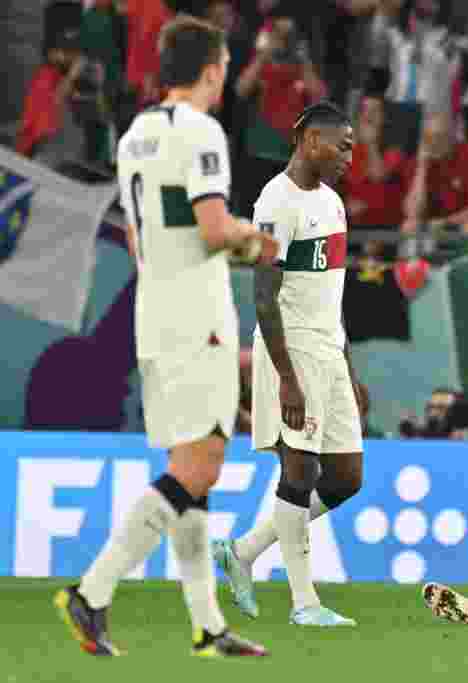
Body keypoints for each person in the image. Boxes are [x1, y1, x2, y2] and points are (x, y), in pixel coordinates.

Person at [54, 16, 275, 658]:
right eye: (226, 67)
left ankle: (209, 626)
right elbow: (210, 226)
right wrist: (254, 240)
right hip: (196, 315)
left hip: (154, 311)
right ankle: (92, 592)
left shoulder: (135, 136)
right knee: (200, 464)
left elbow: (142, 234)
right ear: (212, 70)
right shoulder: (202, 131)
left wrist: (225, 243)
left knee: (193, 471)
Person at [212, 102, 365, 628]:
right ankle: (305, 603)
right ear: (305, 137)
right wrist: (286, 378)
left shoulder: (334, 203)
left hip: (328, 348)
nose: (349, 155)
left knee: (346, 478)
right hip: (291, 348)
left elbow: (334, 291)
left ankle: (245, 551)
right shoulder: (276, 202)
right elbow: (262, 297)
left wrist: (349, 362)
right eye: (340, 144)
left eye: (352, 146)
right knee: (299, 469)